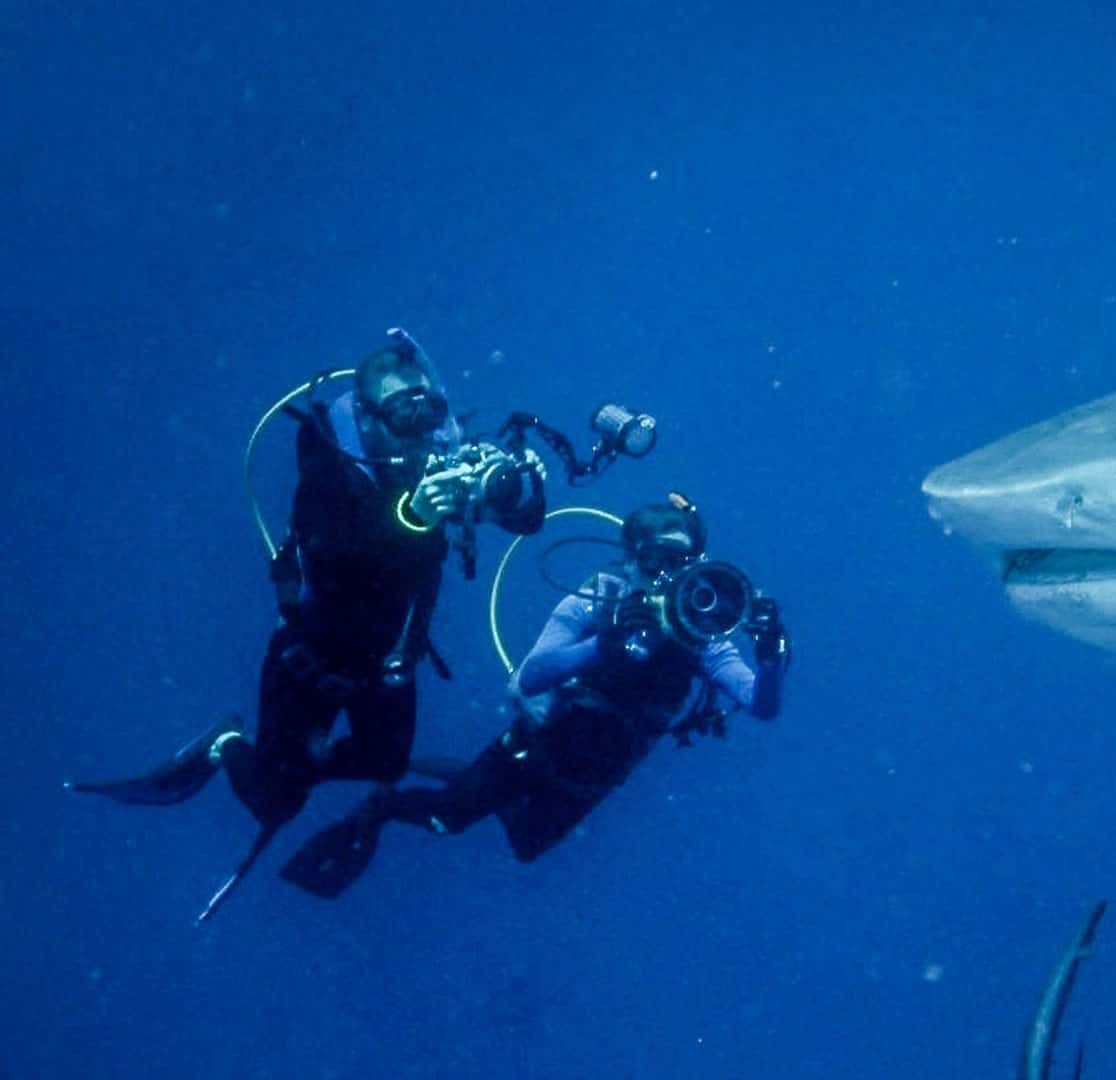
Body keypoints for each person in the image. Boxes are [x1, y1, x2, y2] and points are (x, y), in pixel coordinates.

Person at [69, 330, 548, 914]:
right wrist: (413, 515)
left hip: (387, 663)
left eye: (429, 407)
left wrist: (517, 485)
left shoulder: (442, 459)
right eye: (403, 410)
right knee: (276, 802)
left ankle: (306, 762)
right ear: (368, 418)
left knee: (387, 761)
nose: (420, 425)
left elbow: (526, 520)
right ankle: (226, 745)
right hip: (311, 658)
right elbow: (337, 552)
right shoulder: (327, 464)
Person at [279, 494, 791, 897]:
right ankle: (385, 805)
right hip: (541, 742)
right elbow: (531, 676)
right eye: (659, 560)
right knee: (446, 819)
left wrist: (770, 657)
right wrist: (603, 645)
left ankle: (468, 785)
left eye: (684, 561)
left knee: (525, 846)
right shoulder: (602, 598)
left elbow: (761, 704)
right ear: (632, 560)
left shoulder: (704, 634)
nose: (671, 574)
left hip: (599, 772)